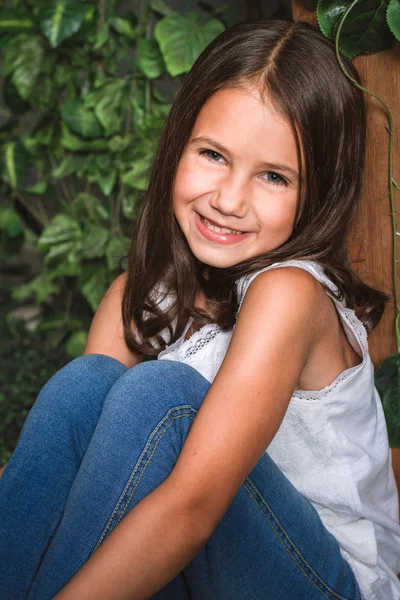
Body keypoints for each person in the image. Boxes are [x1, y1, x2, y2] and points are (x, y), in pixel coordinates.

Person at [0, 16, 399, 600]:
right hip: (192, 568)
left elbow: (193, 507)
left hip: (329, 583)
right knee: (86, 384)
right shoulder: (134, 298)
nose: (229, 200)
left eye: (273, 176)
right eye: (213, 154)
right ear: (178, 143)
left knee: (163, 396)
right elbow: (86, 498)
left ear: (318, 194)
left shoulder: (290, 293)